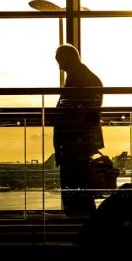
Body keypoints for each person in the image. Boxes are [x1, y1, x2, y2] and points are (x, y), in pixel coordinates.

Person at [52, 44, 104, 214]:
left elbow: (77, 113)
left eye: (61, 61)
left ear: (70, 58)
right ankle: (83, 228)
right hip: (79, 144)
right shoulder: (88, 78)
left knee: (74, 193)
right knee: (81, 193)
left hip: (73, 145)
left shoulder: (79, 79)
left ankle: (79, 228)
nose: (60, 66)